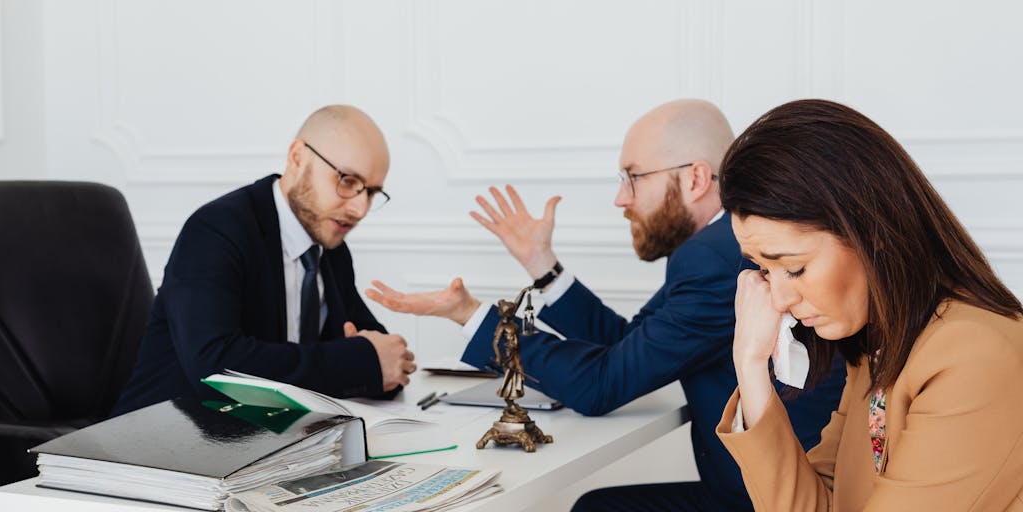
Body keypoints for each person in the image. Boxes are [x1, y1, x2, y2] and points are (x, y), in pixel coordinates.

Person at [366, 99, 845, 511]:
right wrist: (544, 267)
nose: (620, 198)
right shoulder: (715, 249)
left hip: (767, 500)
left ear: (696, 178)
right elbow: (627, 344)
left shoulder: (717, 257)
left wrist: (471, 316)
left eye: (633, 177)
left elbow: (601, 385)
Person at [715, 99, 1023, 510]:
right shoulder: (880, 347)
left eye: (795, 268)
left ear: (873, 232)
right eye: (765, 271)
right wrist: (751, 366)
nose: (778, 299)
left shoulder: (975, 356)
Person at [113, 105, 416, 415]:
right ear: (298, 157)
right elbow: (216, 371)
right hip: (160, 440)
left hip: (266, 441)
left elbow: (381, 356)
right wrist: (357, 363)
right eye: (348, 181)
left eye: (372, 192)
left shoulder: (330, 246)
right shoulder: (216, 230)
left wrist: (378, 364)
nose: (360, 209)